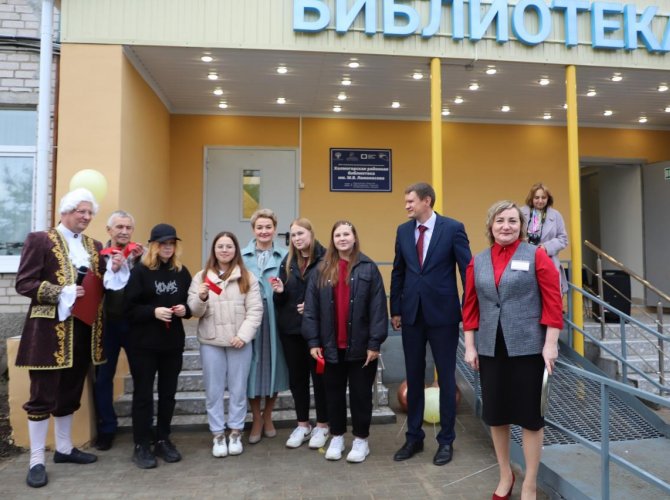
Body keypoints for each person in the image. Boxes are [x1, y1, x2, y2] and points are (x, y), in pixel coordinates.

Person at [15, 188, 128, 488]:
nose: (87, 217)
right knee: (42, 395)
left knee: (70, 390)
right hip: (48, 331)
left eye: (90, 213)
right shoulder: (40, 240)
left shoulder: (94, 245)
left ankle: (64, 449)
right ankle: (36, 460)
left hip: (84, 330)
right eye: (82, 211)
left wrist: (116, 268)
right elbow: (24, 283)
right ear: (66, 210)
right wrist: (61, 291)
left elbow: (104, 283)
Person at [462, 200, 563, 500]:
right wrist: (470, 346)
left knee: (531, 417)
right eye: (500, 221)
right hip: (491, 349)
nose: (506, 226)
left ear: (521, 226)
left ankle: (530, 482)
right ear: (490, 226)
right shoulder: (477, 261)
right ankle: (506, 474)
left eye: (512, 221)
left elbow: (553, 301)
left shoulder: (536, 255)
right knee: (496, 415)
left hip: (529, 349)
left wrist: (551, 344)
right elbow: (470, 306)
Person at [390, 182, 472, 466]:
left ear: (427, 201)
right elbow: (398, 271)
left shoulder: (453, 228)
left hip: (443, 315)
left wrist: (469, 310)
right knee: (414, 377)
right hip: (411, 315)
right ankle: (414, 437)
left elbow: (467, 270)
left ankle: (446, 441)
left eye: (410, 201)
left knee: (446, 378)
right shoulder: (403, 231)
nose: (406, 206)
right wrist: (395, 309)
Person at [302, 220, 388, 463]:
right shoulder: (321, 269)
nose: (342, 238)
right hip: (330, 348)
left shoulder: (368, 268)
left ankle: (361, 440)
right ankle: (337, 436)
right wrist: (313, 341)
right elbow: (311, 309)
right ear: (333, 239)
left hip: (362, 348)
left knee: (361, 396)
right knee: (334, 395)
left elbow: (378, 308)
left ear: (354, 237)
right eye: (337, 235)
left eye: (346, 234)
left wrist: (374, 343)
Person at [187, 231, 263, 458]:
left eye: (229, 246)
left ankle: (236, 431)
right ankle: (218, 434)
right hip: (211, 341)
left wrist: (243, 336)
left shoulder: (247, 277)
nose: (224, 250)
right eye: (220, 246)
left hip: (238, 342)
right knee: (214, 390)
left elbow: (255, 310)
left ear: (236, 250)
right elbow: (194, 311)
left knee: (238, 389)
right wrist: (200, 298)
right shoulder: (201, 277)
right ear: (214, 250)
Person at [125, 223, 192, 469]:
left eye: (171, 243)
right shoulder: (140, 271)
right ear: (153, 245)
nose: (167, 247)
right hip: (144, 344)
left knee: (168, 394)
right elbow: (128, 308)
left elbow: (190, 302)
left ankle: (163, 439)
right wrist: (153, 311)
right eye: (163, 243)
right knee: (143, 394)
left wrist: (185, 310)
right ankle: (141, 444)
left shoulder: (181, 272)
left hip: (172, 343)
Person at [271, 218, 329, 449]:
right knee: (298, 380)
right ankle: (303, 424)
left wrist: (314, 307)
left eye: (301, 233)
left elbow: (334, 294)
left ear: (311, 234)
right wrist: (280, 292)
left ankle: (322, 425)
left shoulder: (326, 259)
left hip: (318, 332)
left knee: (321, 379)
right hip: (291, 331)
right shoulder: (288, 261)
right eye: (293, 235)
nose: (296, 238)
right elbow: (280, 301)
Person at [93, 210, 144, 451]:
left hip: (135, 325)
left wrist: (139, 262)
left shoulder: (140, 255)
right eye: (119, 227)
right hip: (106, 326)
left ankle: (142, 427)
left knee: (142, 377)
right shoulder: (97, 257)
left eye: (128, 227)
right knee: (104, 378)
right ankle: (107, 428)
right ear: (109, 230)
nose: (124, 232)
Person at [241, 209, 289, 443]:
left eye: (268, 227)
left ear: (275, 229)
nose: (264, 231)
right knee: (250, 368)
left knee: (274, 367)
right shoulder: (241, 256)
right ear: (253, 230)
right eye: (259, 227)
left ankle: (268, 415)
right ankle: (256, 418)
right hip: (248, 318)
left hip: (275, 317)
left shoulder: (286, 256)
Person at [520, 182, 568, 294]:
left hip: (547, 260)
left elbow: (563, 239)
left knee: (548, 295)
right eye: (537, 197)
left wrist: (546, 247)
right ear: (531, 198)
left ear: (548, 199)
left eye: (543, 197)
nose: (540, 201)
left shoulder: (556, 215)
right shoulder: (520, 212)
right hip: (525, 260)